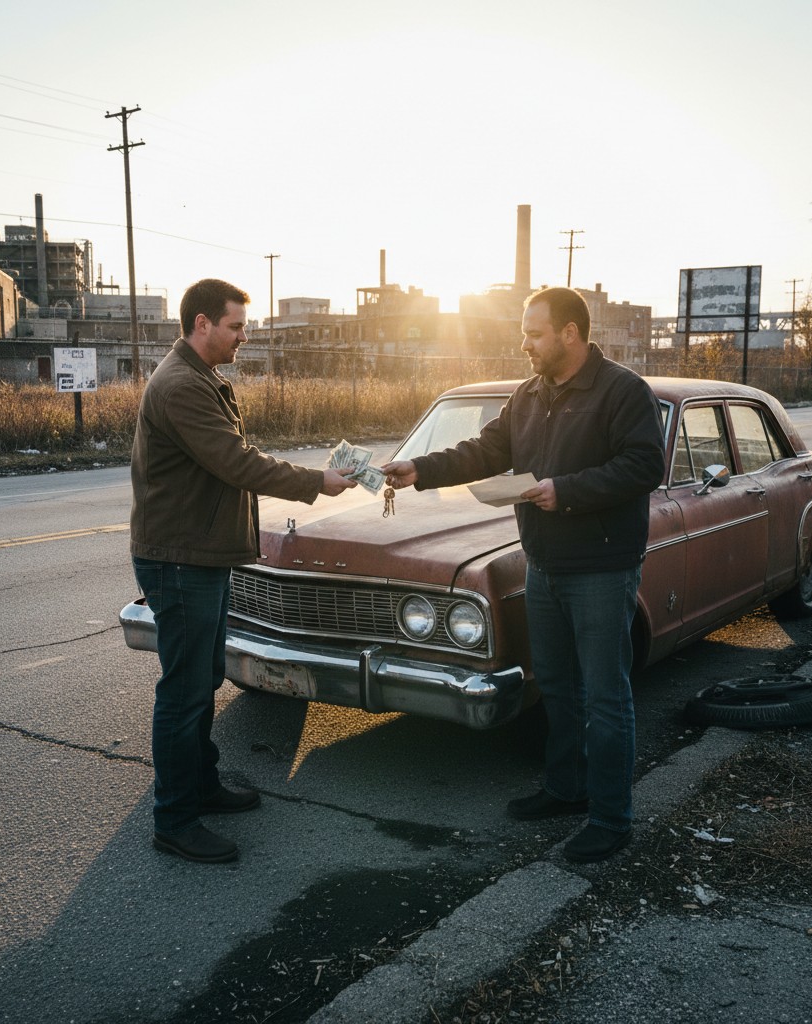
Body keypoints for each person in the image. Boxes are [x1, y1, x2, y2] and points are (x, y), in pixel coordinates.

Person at [382, 286, 665, 864]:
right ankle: (565, 789)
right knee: (558, 688)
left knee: (607, 696)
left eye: (534, 333)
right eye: (524, 332)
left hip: (601, 569)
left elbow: (644, 466)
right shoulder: (529, 395)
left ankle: (611, 819)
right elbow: (486, 451)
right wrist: (420, 468)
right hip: (544, 563)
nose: (524, 343)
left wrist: (567, 491)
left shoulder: (622, 390)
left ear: (569, 334)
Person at [130, 278, 358, 864]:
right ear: (201, 323)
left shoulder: (201, 378)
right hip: (180, 559)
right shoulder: (182, 385)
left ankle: (199, 784)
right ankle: (174, 818)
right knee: (184, 691)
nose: (244, 336)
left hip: (198, 554)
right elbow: (235, 462)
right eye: (235, 326)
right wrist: (316, 482)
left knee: (201, 679)